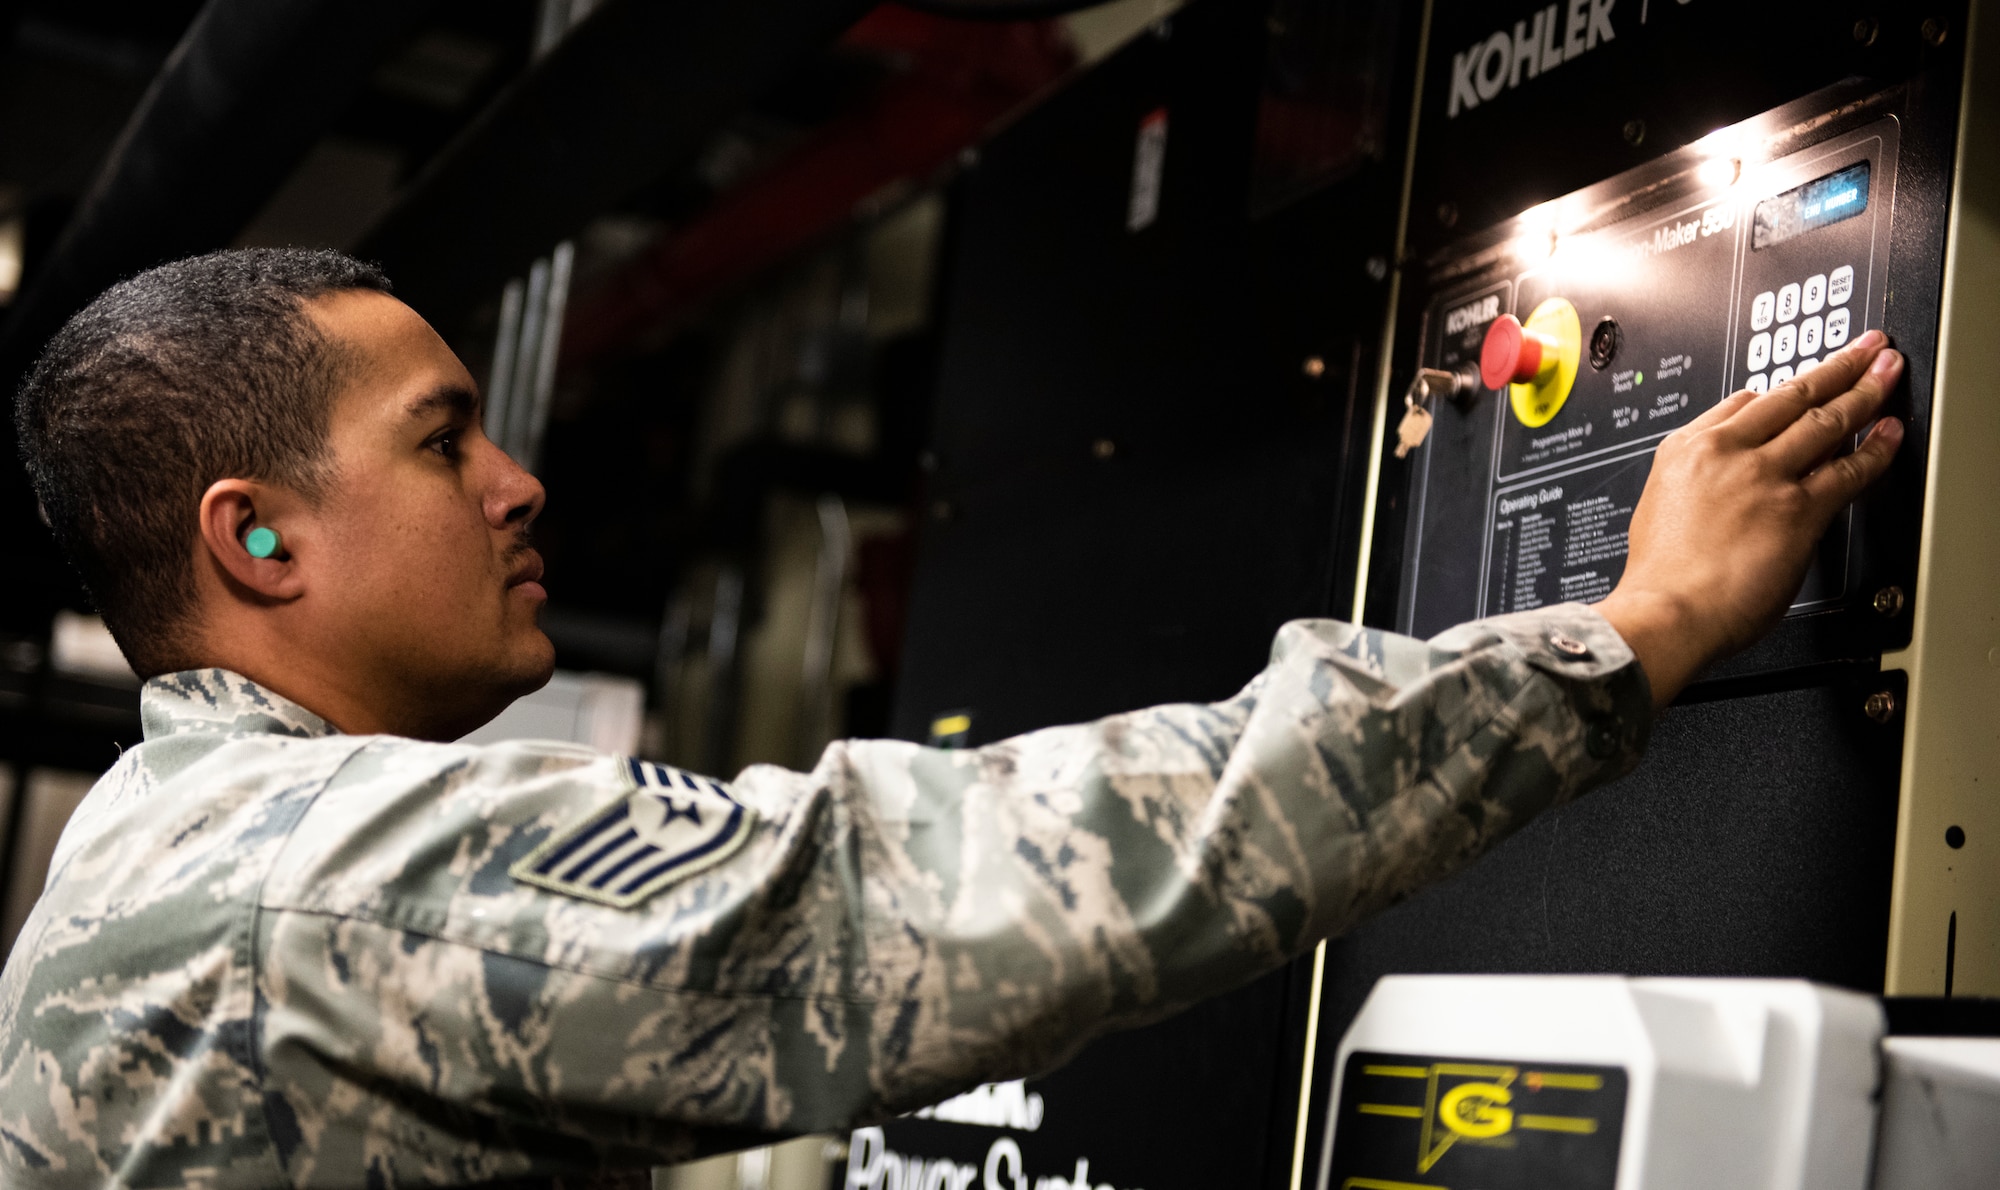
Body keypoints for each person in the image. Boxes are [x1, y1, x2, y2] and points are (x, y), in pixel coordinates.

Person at [0, 249, 1902, 1188]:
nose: (518, 485)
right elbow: (911, 891)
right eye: (443, 440)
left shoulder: (144, 859)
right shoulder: (317, 881)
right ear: (254, 541)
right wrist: (1628, 630)